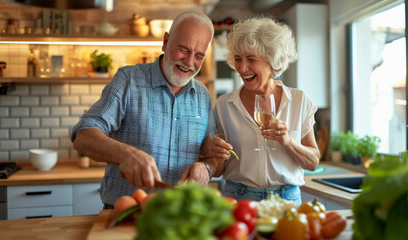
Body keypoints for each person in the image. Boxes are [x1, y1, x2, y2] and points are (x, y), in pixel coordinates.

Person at [71, 11, 216, 208]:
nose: (189, 63)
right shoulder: (128, 80)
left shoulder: (203, 95)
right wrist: (125, 155)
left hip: (180, 216)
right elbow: (83, 135)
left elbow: (213, 154)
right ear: (165, 41)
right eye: (183, 50)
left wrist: (207, 167)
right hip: (127, 213)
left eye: (199, 56)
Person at [207, 16, 320, 205]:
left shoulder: (299, 100)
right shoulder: (224, 104)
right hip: (238, 197)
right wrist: (216, 154)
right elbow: (219, 170)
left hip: (286, 199)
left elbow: (313, 163)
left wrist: (288, 141)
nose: (242, 68)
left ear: (272, 62)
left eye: (251, 59)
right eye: (238, 59)